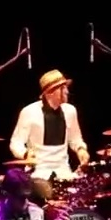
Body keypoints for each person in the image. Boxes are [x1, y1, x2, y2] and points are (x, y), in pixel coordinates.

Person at [9, 69, 91, 202]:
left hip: (63, 172)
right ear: (50, 92)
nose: (67, 91)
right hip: (39, 172)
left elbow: (75, 139)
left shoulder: (70, 111)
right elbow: (16, 143)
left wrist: (81, 149)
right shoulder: (29, 112)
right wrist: (26, 154)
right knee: (44, 193)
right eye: (62, 88)